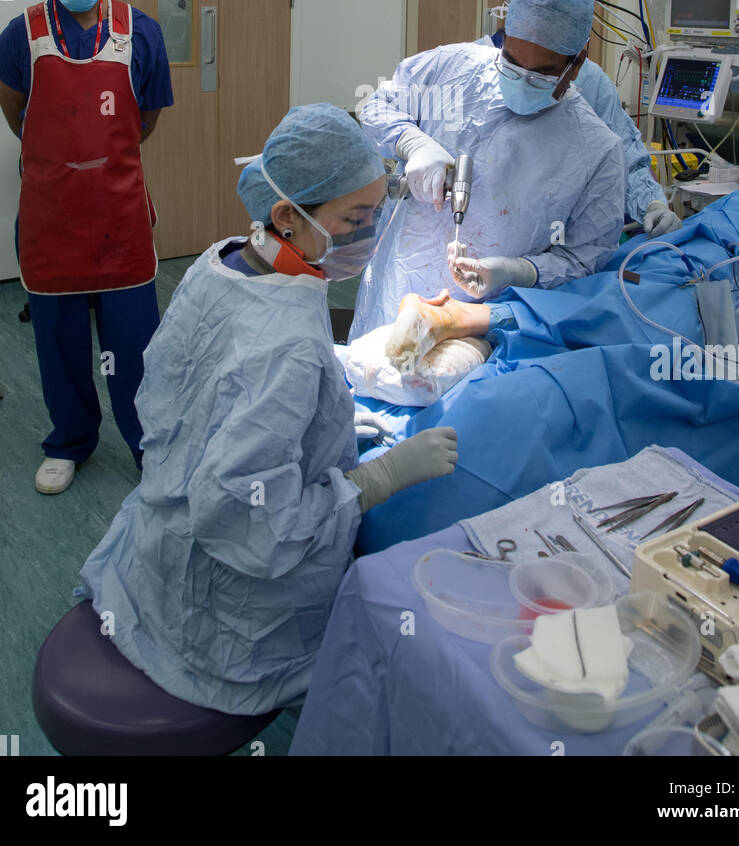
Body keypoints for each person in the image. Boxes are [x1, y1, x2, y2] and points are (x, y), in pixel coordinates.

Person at [76, 104, 458, 716]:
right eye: (356, 218)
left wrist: (317, 425)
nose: (369, 231)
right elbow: (250, 520)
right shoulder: (288, 350)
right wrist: (377, 478)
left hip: (152, 551)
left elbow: (179, 396)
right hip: (226, 618)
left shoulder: (225, 261)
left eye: (376, 210)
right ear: (287, 214)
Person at [0, 0, 173, 493]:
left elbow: (146, 118)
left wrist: (101, 160)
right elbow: (19, 115)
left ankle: (150, 445)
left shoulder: (139, 31)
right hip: (50, 225)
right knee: (60, 342)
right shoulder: (23, 35)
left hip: (120, 222)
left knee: (133, 347)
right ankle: (69, 442)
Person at [350, 0, 628, 338]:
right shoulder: (450, 69)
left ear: (576, 64)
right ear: (504, 38)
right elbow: (376, 105)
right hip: (397, 286)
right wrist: (410, 141)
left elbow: (583, 257)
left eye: (542, 73)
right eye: (511, 62)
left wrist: (517, 270)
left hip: (483, 321)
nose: (523, 80)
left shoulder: (597, 151)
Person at [484, 0, 679, 238]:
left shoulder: (590, 81)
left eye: (560, 9)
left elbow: (624, 153)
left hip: (563, 235)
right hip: (486, 226)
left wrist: (651, 204)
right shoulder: (474, 68)